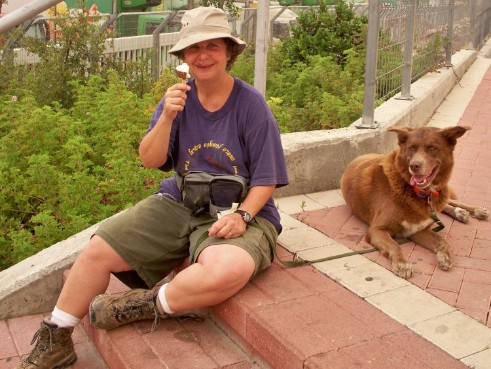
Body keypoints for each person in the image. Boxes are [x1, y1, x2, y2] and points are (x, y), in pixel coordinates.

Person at [16, 6, 288, 369]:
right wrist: (168, 117)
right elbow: (149, 158)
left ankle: (146, 304)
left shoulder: (250, 105)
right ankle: (57, 336)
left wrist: (242, 216)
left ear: (229, 52)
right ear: (184, 58)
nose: (203, 55)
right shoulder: (178, 97)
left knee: (228, 268)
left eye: (212, 46)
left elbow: (267, 177)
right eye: (194, 48)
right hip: (181, 200)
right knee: (100, 247)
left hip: (240, 209)